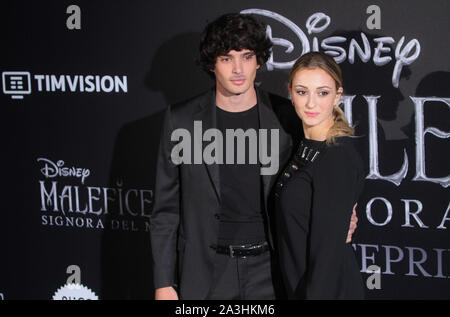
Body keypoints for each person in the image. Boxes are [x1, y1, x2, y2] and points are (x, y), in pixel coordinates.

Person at [150, 13, 358, 300]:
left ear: (259, 60)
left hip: (272, 270)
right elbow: (166, 211)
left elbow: (321, 178)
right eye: (226, 58)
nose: (238, 69)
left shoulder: (288, 116)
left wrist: (343, 218)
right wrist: (164, 283)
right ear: (212, 64)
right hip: (206, 273)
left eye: (247, 56)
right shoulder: (181, 121)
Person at [274, 51, 365, 299]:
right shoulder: (301, 146)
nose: (311, 103)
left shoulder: (336, 156)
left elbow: (328, 257)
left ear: (338, 95)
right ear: (290, 92)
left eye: (323, 92)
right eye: (302, 92)